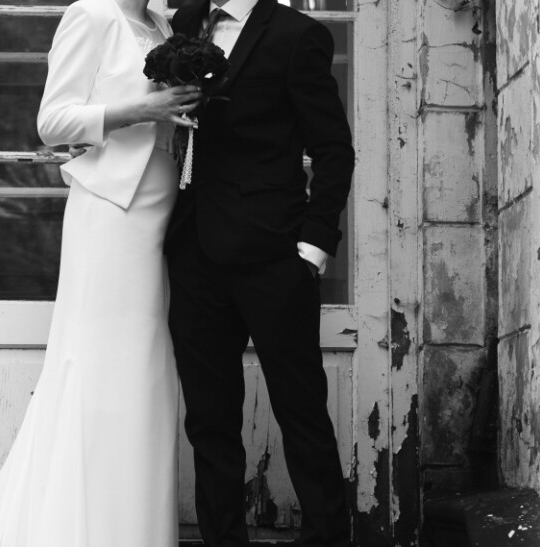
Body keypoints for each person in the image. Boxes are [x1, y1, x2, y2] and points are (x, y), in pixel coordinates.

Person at [0, 0, 200, 544]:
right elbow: (52, 121)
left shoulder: (162, 23)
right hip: (110, 212)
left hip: (163, 214)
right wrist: (143, 109)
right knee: (101, 367)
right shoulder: (90, 14)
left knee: (145, 372)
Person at [165, 0, 356, 545]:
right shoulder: (183, 24)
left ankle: (326, 539)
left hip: (275, 256)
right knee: (209, 420)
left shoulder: (298, 35)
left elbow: (333, 149)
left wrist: (313, 247)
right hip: (194, 252)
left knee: (300, 410)